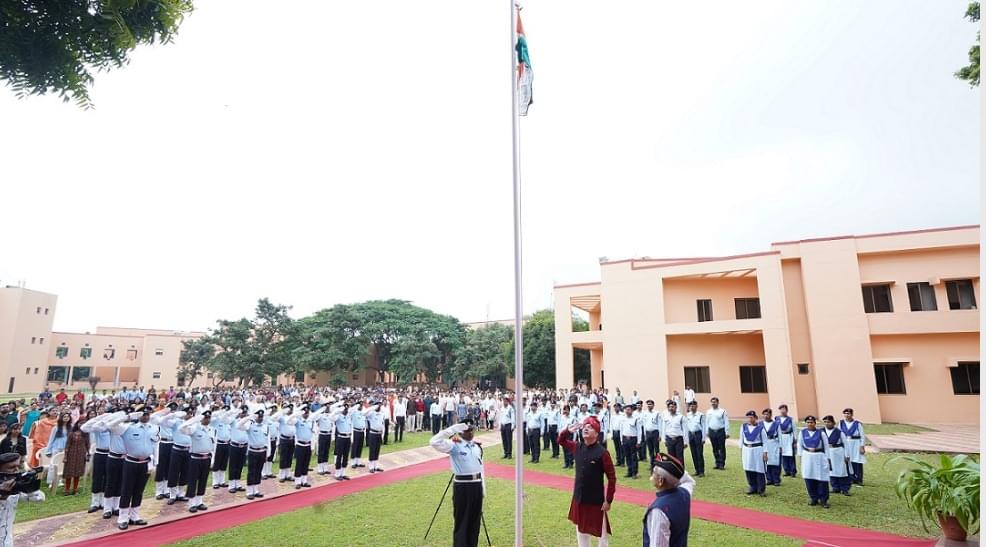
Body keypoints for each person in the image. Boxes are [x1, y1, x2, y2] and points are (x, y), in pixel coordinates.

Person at [558, 416, 616, 547]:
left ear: (596, 433)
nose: (586, 429)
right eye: (585, 426)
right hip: (579, 498)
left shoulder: (603, 453)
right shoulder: (577, 447)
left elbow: (612, 478)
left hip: (596, 501)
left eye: (590, 427)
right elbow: (560, 440)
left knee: (602, 536)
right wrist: (567, 430)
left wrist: (609, 500)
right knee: (581, 533)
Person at [430, 419, 484, 547]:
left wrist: (483, 489)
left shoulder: (477, 447)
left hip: (476, 485)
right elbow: (434, 442)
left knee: (474, 521)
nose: (470, 433)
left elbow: (482, 469)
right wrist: (453, 429)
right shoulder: (454, 445)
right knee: (462, 521)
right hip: (462, 486)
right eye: (466, 430)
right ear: (460, 432)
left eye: (472, 430)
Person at [111, 407, 159, 530]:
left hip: (145, 463)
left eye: (148, 414)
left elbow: (155, 445)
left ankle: (135, 516)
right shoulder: (128, 427)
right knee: (127, 490)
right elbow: (111, 426)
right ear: (138, 415)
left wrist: (154, 463)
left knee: (139, 490)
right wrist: (128, 417)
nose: (146, 416)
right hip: (131, 462)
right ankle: (122, 518)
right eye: (143, 414)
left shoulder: (153, 428)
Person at [643, 453, 695, 547]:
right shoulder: (684, 494)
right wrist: (676, 470)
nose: (651, 475)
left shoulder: (659, 510)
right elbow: (689, 481)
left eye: (654, 473)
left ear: (661, 481)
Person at [0, 451, 45, 546]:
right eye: (11, 468)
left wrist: (29, 487)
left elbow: (40, 498)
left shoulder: (14, 488)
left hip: (7, 541)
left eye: (18, 467)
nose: (16, 471)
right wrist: (3, 497)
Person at [179, 410, 215, 513]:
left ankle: (199, 501)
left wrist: (213, 459)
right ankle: (192, 503)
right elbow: (181, 428)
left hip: (207, 458)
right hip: (195, 458)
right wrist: (193, 420)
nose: (207, 420)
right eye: (205, 418)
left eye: (209, 418)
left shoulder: (212, 430)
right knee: (193, 480)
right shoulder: (194, 428)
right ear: (201, 419)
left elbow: (214, 445)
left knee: (203, 480)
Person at [798, 416, 830, 508]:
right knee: (809, 477)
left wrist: (827, 458)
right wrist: (800, 457)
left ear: (815, 423)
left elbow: (826, 447)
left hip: (819, 456)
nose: (810, 424)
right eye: (808, 422)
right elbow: (799, 445)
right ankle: (813, 498)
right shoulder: (802, 433)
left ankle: (823, 500)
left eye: (811, 422)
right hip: (807, 456)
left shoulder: (821, 433)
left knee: (821, 478)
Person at [238, 408, 269, 499]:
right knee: (252, 471)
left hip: (262, 451)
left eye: (261, 417)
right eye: (258, 416)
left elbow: (267, 440)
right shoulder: (250, 425)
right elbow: (238, 425)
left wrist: (267, 453)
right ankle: (249, 491)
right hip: (253, 451)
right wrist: (249, 418)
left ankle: (255, 490)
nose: (260, 418)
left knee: (258, 471)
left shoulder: (265, 426)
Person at [290, 404, 323, 487]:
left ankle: (304, 480)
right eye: (304, 412)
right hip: (300, 445)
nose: (306, 414)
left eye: (307, 412)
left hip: (308, 445)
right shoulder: (297, 420)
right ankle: (297, 481)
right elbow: (288, 421)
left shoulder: (311, 422)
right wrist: (297, 412)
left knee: (306, 463)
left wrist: (312, 446)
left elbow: (314, 433)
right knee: (299, 464)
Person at [740, 410, 768, 496]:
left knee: (759, 469)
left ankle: (761, 489)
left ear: (755, 418)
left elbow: (765, 441)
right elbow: (741, 439)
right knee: (748, 468)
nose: (749, 419)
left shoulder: (760, 428)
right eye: (748, 417)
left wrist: (765, 452)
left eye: (751, 417)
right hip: (747, 449)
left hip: (757, 449)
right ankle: (752, 486)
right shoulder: (744, 427)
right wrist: (741, 449)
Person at [823, 415, 851, 496]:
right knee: (831, 471)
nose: (827, 424)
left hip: (838, 452)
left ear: (833, 422)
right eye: (825, 422)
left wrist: (847, 455)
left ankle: (844, 488)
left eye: (828, 422)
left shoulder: (839, 432)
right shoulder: (822, 431)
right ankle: (835, 487)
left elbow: (846, 444)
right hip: (828, 452)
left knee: (841, 471)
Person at [43, 412, 71, 487]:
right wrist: (48, 450)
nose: (66, 418)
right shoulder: (56, 427)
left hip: (65, 448)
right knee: (53, 465)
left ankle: (60, 480)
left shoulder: (70, 427)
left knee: (62, 465)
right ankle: (51, 481)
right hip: (56, 448)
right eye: (64, 416)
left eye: (67, 417)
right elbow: (51, 439)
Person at [62, 418, 89, 495]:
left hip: (81, 455)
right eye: (80, 423)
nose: (81, 425)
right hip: (71, 454)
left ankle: (75, 489)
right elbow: (67, 445)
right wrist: (65, 456)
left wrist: (88, 454)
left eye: (83, 424)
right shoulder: (71, 433)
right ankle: (67, 489)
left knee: (78, 472)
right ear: (77, 424)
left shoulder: (86, 434)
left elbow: (87, 445)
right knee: (69, 472)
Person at [839, 408, 866, 486]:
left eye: (849, 413)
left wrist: (862, 446)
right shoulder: (841, 423)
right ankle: (849, 478)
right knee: (847, 460)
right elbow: (838, 434)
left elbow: (862, 436)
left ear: (852, 414)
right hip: (846, 444)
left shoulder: (857, 424)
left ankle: (858, 479)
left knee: (857, 461)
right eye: (845, 413)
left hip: (855, 444)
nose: (847, 415)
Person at [227, 406, 250, 494]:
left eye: (245, 413)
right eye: (242, 413)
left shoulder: (247, 422)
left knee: (240, 465)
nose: (243, 414)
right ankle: (232, 485)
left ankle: (237, 483)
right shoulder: (233, 420)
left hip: (243, 446)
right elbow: (227, 420)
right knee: (233, 465)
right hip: (234, 445)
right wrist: (235, 414)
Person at [210, 406, 233, 489]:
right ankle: (215, 482)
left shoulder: (227, 422)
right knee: (217, 462)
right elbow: (211, 416)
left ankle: (222, 481)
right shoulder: (216, 421)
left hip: (227, 444)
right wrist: (219, 412)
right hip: (218, 444)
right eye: (224, 410)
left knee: (224, 463)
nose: (225, 412)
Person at [272, 405, 297, 482]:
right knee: (283, 457)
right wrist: (282, 412)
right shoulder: (282, 417)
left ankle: (288, 474)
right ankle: (282, 475)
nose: (291, 410)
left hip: (292, 439)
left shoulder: (294, 417)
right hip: (284, 439)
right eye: (289, 409)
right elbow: (273, 418)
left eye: (292, 409)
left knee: (289, 457)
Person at [330, 401, 353, 481]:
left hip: (348, 437)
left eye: (347, 408)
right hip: (341, 437)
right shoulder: (338, 416)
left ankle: (343, 473)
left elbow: (351, 427)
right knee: (339, 456)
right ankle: (337, 473)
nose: (346, 410)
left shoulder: (349, 416)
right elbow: (331, 417)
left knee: (346, 456)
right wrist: (338, 410)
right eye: (344, 408)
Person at [619, 404, 643, 479]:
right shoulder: (623, 419)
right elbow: (621, 430)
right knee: (627, 455)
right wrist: (621, 440)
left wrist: (639, 441)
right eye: (626, 409)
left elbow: (639, 431)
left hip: (633, 439)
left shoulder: (636, 419)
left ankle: (634, 473)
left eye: (629, 409)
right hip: (625, 438)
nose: (627, 411)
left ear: (632, 410)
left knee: (633, 456)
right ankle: (629, 471)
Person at [705, 397, 728, 470]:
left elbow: (726, 422)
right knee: (714, 448)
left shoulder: (722, 411)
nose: (713, 403)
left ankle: (722, 464)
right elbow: (707, 422)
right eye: (712, 402)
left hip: (720, 431)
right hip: (712, 431)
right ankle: (717, 463)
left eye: (715, 402)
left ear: (718, 402)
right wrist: (707, 431)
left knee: (721, 448)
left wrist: (727, 432)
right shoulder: (708, 412)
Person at [684, 401, 705, 477]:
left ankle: (701, 471)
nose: (692, 407)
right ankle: (697, 470)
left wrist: (703, 438)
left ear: (697, 406)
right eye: (691, 406)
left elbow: (703, 427)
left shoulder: (700, 415)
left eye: (694, 406)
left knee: (699, 453)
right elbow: (686, 427)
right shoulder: (688, 415)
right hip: (691, 435)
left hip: (698, 434)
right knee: (693, 453)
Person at [761, 408, 782, 486]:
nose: (766, 416)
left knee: (775, 462)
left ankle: (776, 479)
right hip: (764, 444)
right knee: (766, 462)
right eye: (765, 414)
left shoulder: (776, 424)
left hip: (773, 443)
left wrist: (780, 446)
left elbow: (780, 435)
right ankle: (769, 479)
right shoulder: (760, 424)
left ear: (770, 415)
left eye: (767, 414)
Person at [661, 401, 685, 468]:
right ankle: (673, 473)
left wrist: (685, 441)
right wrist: (664, 439)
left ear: (676, 407)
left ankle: (681, 473)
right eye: (670, 407)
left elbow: (685, 430)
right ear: (668, 408)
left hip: (678, 439)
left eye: (673, 407)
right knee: (671, 457)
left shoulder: (680, 417)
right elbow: (664, 428)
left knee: (679, 457)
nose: (671, 408)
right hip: (669, 439)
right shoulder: (665, 417)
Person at [777, 404, 797, 477]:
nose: (782, 411)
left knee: (790, 455)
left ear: (787, 410)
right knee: (783, 454)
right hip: (780, 438)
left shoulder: (790, 419)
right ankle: (786, 470)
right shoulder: (777, 419)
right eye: (781, 409)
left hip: (788, 437)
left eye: (784, 409)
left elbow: (794, 430)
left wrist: (795, 440)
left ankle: (793, 471)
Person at [641, 401, 660, 466]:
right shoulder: (645, 413)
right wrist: (644, 434)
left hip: (655, 433)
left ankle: (658, 463)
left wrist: (660, 435)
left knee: (656, 449)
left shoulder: (657, 413)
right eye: (648, 404)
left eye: (650, 404)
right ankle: (652, 464)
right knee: (650, 450)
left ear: (653, 405)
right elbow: (644, 424)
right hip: (648, 433)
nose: (649, 405)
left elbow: (660, 424)